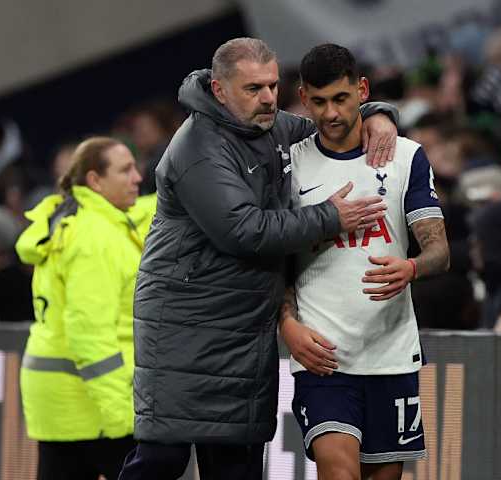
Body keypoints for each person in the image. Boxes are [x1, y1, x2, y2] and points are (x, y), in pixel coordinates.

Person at [120, 37, 399, 480]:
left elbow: (330, 127)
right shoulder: (198, 147)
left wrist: (379, 116)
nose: (269, 97)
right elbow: (243, 231)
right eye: (253, 89)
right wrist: (331, 217)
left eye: (272, 86)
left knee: (236, 462)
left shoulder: (268, 125)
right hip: (185, 327)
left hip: (245, 326)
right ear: (219, 90)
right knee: (162, 457)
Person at [279, 44, 450, 480]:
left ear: (362, 90)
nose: (330, 113)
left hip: (390, 353)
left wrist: (411, 268)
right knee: (340, 472)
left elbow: (439, 251)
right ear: (302, 97)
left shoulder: (406, 157)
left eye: (340, 98)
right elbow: (271, 259)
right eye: (318, 101)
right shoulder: (289, 164)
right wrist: (287, 325)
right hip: (323, 356)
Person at [16, 137, 153, 480]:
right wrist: (122, 417)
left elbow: (143, 210)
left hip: (60, 401)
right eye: (125, 170)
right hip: (92, 406)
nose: (137, 177)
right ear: (95, 181)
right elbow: (89, 336)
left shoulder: (76, 218)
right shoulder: (95, 239)